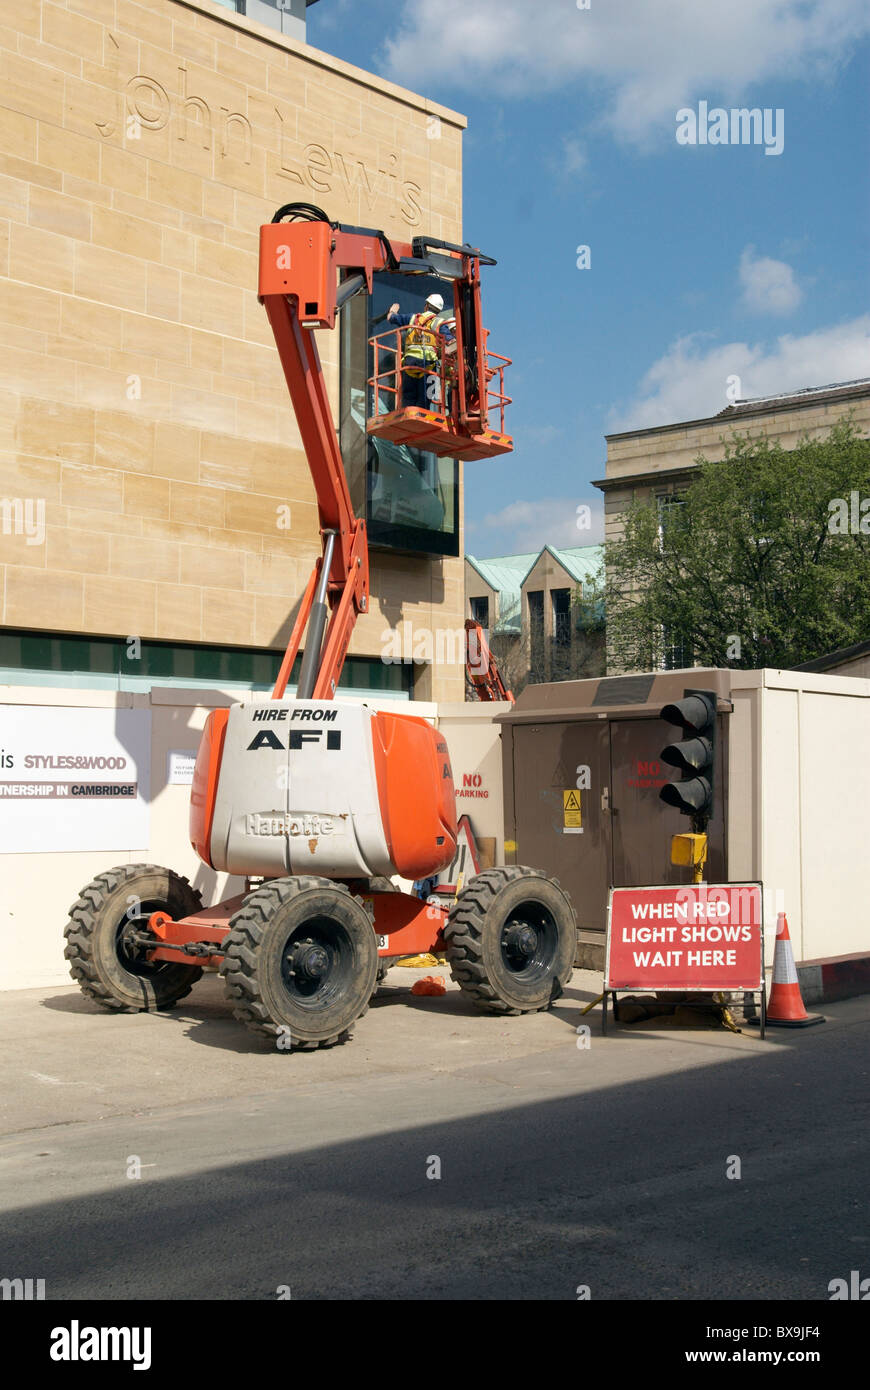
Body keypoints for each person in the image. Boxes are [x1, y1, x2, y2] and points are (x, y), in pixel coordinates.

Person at [387, 292, 453, 409]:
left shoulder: (412, 318)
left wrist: (393, 311)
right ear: (438, 311)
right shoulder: (440, 323)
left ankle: (408, 411)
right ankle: (422, 413)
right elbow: (450, 341)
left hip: (410, 364)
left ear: (426, 306)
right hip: (427, 365)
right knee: (426, 397)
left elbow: (391, 318)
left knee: (408, 397)